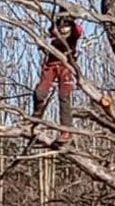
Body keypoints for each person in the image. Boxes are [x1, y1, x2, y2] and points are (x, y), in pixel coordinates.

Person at [32, 11, 83, 144]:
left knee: (64, 98)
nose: (63, 29)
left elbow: (78, 31)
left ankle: (66, 130)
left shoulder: (73, 37)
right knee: (40, 93)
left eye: (66, 26)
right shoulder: (52, 38)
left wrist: (71, 19)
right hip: (50, 67)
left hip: (66, 67)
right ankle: (35, 119)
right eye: (61, 26)